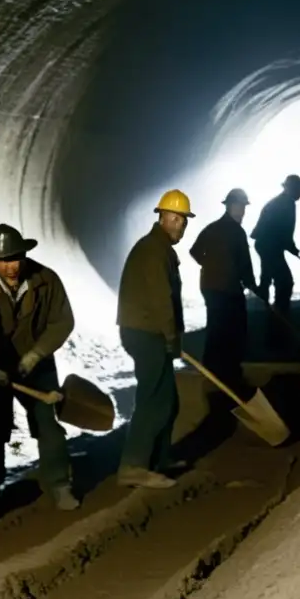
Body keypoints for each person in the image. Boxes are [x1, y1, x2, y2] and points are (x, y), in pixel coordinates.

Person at [0, 224, 78, 512]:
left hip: (37, 365)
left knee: (47, 423)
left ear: (25, 255)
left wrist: (36, 354)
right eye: (3, 260)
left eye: (15, 258)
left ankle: (60, 485)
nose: (10, 266)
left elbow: (62, 322)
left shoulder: (46, 280)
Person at [116, 189, 193, 489]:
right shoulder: (153, 251)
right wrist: (172, 337)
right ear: (164, 217)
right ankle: (133, 466)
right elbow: (162, 298)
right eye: (177, 219)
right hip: (146, 333)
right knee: (153, 400)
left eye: (184, 221)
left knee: (168, 400)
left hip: (150, 331)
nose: (181, 226)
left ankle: (160, 459)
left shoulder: (160, 249)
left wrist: (174, 336)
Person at [189, 188, 261, 397]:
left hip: (210, 286)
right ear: (230, 206)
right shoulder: (236, 232)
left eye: (244, 207)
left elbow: (194, 251)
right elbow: (245, 265)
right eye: (240, 206)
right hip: (227, 288)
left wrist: (209, 265)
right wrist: (252, 284)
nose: (242, 211)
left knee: (216, 326)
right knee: (235, 329)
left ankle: (212, 371)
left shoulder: (212, 228)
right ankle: (231, 374)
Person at [250, 174, 300, 347]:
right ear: (290, 189)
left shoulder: (279, 202)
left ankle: (264, 310)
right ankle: (279, 317)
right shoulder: (286, 204)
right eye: (298, 190)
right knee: (285, 282)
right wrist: (291, 246)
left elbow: (280, 231)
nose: (299, 194)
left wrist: (290, 246)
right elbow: (283, 230)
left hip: (265, 244)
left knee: (267, 276)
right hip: (269, 245)